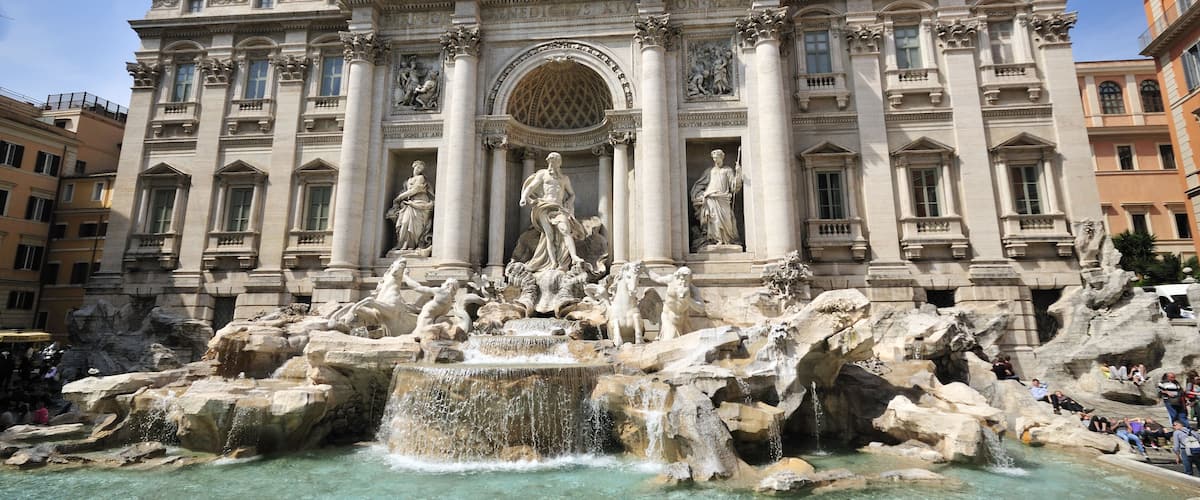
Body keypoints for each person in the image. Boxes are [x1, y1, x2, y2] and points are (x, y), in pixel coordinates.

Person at [519, 152, 585, 272]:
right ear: (548, 161)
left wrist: (569, 203)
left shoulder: (564, 179)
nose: (553, 163)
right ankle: (553, 262)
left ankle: (574, 257)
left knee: (565, 230)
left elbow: (572, 194)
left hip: (558, 208)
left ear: (559, 163)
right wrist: (524, 198)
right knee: (549, 235)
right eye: (551, 161)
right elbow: (531, 187)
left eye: (555, 161)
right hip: (544, 206)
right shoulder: (543, 175)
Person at [689, 149, 744, 248]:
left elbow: (734, 186)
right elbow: (699, 185)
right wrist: (701, 194)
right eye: (714, 158)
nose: (715, 160)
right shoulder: (709, 171)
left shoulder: (727, 170)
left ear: (722, 157)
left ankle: (727, 240)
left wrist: (738, 173)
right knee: (714, 220)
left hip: (723, 198)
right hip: (711, 198)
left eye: (717, 157)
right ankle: (716, 239)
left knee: (727, 222)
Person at [388, 160, 435, 251]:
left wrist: (400, 197)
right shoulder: (408, 180)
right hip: (409, 204)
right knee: (404, 223)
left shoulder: (421, 178)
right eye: (418, 167)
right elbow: (407, 192)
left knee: (415, 227)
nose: (419, 169)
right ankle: (401, 245)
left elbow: (415, 190)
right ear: (414, 166)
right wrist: (401, 199)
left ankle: (411, 246)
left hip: (419, 203)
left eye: (421, 168)